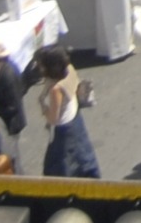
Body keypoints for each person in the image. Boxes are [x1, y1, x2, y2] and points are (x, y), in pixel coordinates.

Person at [35, 45, 99, 178]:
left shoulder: (56, 89)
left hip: (62, 131)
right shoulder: (69, 70)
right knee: (82, 156)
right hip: (75, 119)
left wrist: (43, 107)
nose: (39, 68)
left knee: (62, 167)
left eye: (41, 65)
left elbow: (53, 118)